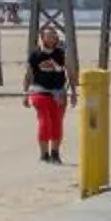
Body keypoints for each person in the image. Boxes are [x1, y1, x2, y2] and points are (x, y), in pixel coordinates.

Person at [25, 28, 71, 165]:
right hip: (40, 91)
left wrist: (73, 92)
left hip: (58, 92)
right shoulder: (35, 55)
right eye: (49, 36)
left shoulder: (61, 54)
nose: (52, 39)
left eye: (54, 36)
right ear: (42, 38)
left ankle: (55, 153)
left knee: (57, 123)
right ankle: (44, 155)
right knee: (45, 122)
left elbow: (69, 72)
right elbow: (28, 75)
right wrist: (25, 94)